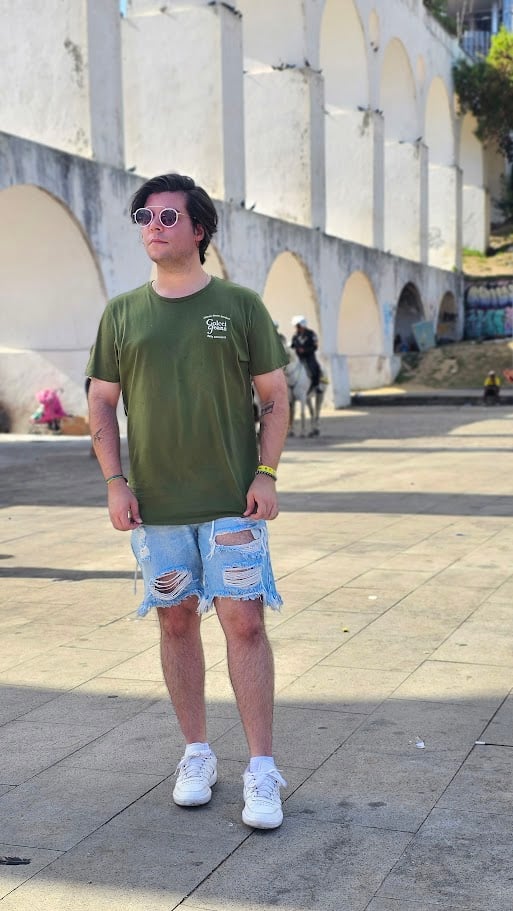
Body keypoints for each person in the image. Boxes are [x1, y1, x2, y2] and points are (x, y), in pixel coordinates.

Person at [86, 173, 290, 830]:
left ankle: (262, 767)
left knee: (245, 623)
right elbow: (101, 400)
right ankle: (197, 753)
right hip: (158, 508)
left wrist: (266, 473)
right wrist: (115, 481)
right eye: (144, 216)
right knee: (175, 623)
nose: (153, 225)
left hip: (233, 500)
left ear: (199, 230)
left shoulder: (239, 305)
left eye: (168, 216)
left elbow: (275, 396)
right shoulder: (122, 313)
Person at [290, 316, 322, 392]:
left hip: (309, 356)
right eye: (296, 326)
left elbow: (315, 346)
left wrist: (305, 350)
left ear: (303, 325)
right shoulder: (295, 336)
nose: (297, 328)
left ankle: (316, 385)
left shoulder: (311, 334)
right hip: (298, 357)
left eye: (298, 326)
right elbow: (292, 346)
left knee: (315, 367)